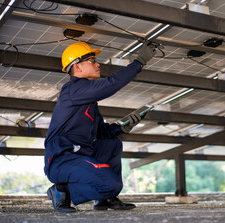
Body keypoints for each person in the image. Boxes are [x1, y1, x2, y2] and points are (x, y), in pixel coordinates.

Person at [44, 41, 156, 212]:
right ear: (77, 67)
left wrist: (123, 125)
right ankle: (61, 191)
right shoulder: (72, 90)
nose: (97, 64)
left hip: (81, 155)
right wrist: (138, 62)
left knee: (112, 143)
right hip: (63, 160)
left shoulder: (88, 102)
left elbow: (102, 132)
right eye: (91, 60)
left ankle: (104, 199)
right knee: (112, 184)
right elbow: (110, 84)